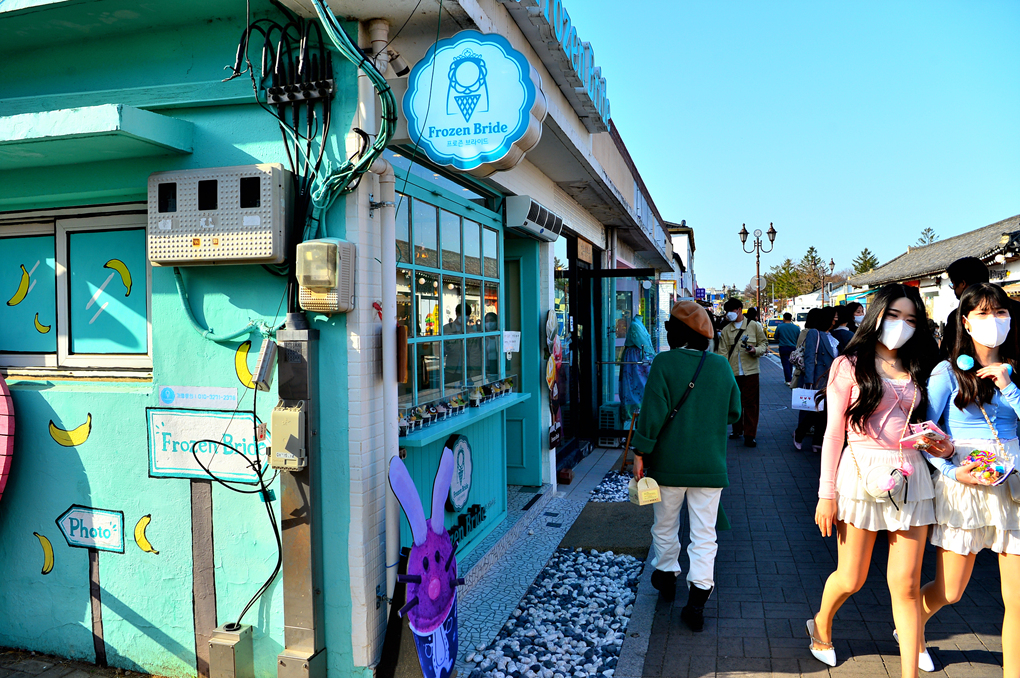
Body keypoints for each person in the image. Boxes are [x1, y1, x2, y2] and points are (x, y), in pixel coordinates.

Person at [808, 284, 939, 677]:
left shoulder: (921, 364)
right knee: (851, 577)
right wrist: (826, 494)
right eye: (894, 316)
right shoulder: (848, 364)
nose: (902, 325)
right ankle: (821, 624)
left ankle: (908, 667)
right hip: (860, 473)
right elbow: (834, 433)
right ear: (876, 315)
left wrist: (934, 441)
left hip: (910, 473)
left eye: (911, 319)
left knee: (907, 584)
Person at [918, 283, 1020, 675]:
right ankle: (911, 626)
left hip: (1013, 483)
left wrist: (1008, 386)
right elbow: (925, 435)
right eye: (983, 313)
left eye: (1000, 312)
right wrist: (950, 470)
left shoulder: (1016, 370)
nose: (993, 320)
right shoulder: (946, 372)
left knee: (1017, 601)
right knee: (951, 590)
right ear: (966, 321)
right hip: (965, 484)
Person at [631, 301, 741, 631]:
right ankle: (698, 599)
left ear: (676, 333)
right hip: (709, 465)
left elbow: (652, 414)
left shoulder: (664, 362)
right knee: (704, 533)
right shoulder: (720, 366)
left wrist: (641, 452)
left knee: (665, 525)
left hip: (668, 464)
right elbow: (734, 412)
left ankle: (666, 575)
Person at [939, 257, 1020, 360]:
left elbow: (946, 352)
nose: (993, 318)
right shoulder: (1016, 307)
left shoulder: (957, 315)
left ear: (963, 284)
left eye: (953, 284)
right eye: (982, 313)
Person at [717, 299, 769, 447]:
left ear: (739, 309)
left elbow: (764, 343)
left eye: (731, 311)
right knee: (735, 402)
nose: (729, 314)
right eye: (727, 312)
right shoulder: (726, 330)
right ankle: (737, 429)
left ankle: (750, 435)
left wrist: (755, 350)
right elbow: (722, 353)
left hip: (751, 372)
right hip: (732, 372)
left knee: (751, 404)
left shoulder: (754, 326)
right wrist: (723, 373)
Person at [794, 307, 838, 452]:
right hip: (818, 378)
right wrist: (809, 380)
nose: (836, 319)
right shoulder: (814, 333)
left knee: (825, 411)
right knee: (816, 411)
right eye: (834, 316)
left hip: (832, 378)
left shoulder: (832, 335)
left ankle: (817, 442)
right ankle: (799, 433)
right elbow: (809, 357)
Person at [620, 317, 655, 421]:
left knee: (637, 384)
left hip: (636, 359)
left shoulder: (637, 324)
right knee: (636, 383)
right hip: (636, 360)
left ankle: (637, 410)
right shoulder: (635, 325)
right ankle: (635, 411)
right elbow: (643, 343)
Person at [776, 312, 802, 385]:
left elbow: (776, 336)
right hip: (793, 347)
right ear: (791, 319)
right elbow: (799, 338)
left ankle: (788, 379)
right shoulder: (796, 328)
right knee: (791, 363)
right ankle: (790, 378)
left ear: (784, 319)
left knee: (785, 364)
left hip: (783, 347)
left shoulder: (780, 327)